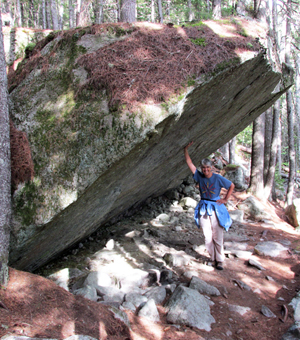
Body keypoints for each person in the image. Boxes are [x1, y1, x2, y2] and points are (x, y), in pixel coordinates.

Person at [184, 141, 235, 270]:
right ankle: (212, 258)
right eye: (203, 168)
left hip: (216, 208)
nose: (206, 170)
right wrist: (185, 150)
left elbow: (231, 185)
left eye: (208, 168)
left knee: (218, 235)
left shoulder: (218, 178)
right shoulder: (200, 177)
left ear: (211, 167)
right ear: (202, 168)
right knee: (207, 236)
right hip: (203, 207)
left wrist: (225, 199)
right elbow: (190, 164)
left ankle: (220, 260)